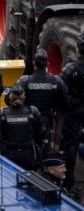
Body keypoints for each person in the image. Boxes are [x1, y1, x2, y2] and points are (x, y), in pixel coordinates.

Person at [0, 84, 47, 170]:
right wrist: (39, 157)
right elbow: (42, 135)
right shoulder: (33, 111)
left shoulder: (0, 113)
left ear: (9, 98)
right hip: (27, 154)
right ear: (24, 98)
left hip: (8, 154)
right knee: (28, 180)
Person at [14, 48, 69, 135]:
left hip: (28, 122)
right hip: (46, 123)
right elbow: (65, 102)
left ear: (34, 63)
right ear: (47, 64)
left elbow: (9, 99)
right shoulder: (56, 80)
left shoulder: (24, 80)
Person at [60, 31, 84, 189]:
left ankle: (68, 180)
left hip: (74, 110)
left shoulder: (70, 67)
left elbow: (61, 89)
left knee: (71, 145)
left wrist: (66, 105)